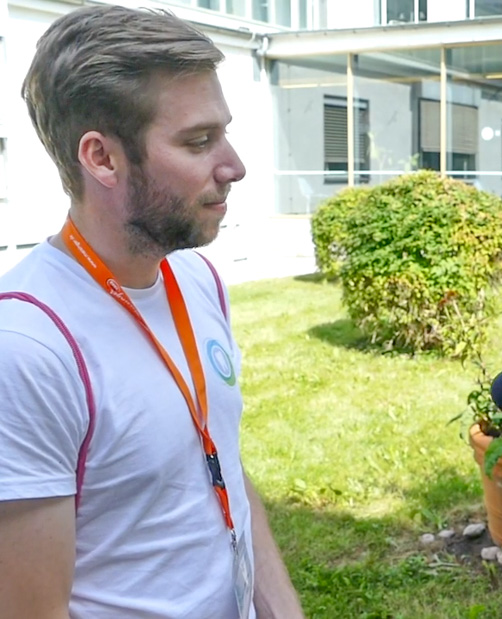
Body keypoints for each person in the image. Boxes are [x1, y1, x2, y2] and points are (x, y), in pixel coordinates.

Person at [0, 6, 304, 618]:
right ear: (102, 158)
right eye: (198, 141)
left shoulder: (193, 277)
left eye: (224, 131)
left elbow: (220, 461)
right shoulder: (28, 348)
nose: (234, 166)